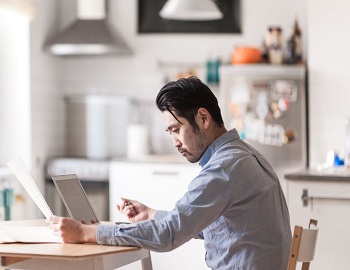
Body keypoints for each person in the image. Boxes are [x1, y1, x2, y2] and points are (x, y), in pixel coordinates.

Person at [49, 76, 292, 270]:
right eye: (170, 133)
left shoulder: (223, 169)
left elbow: (169, 235)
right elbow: (210, 226)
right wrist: (151, 214)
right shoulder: (247, 156)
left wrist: (85, 232)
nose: (175, 141)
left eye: (176, 129)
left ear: (203, 117)